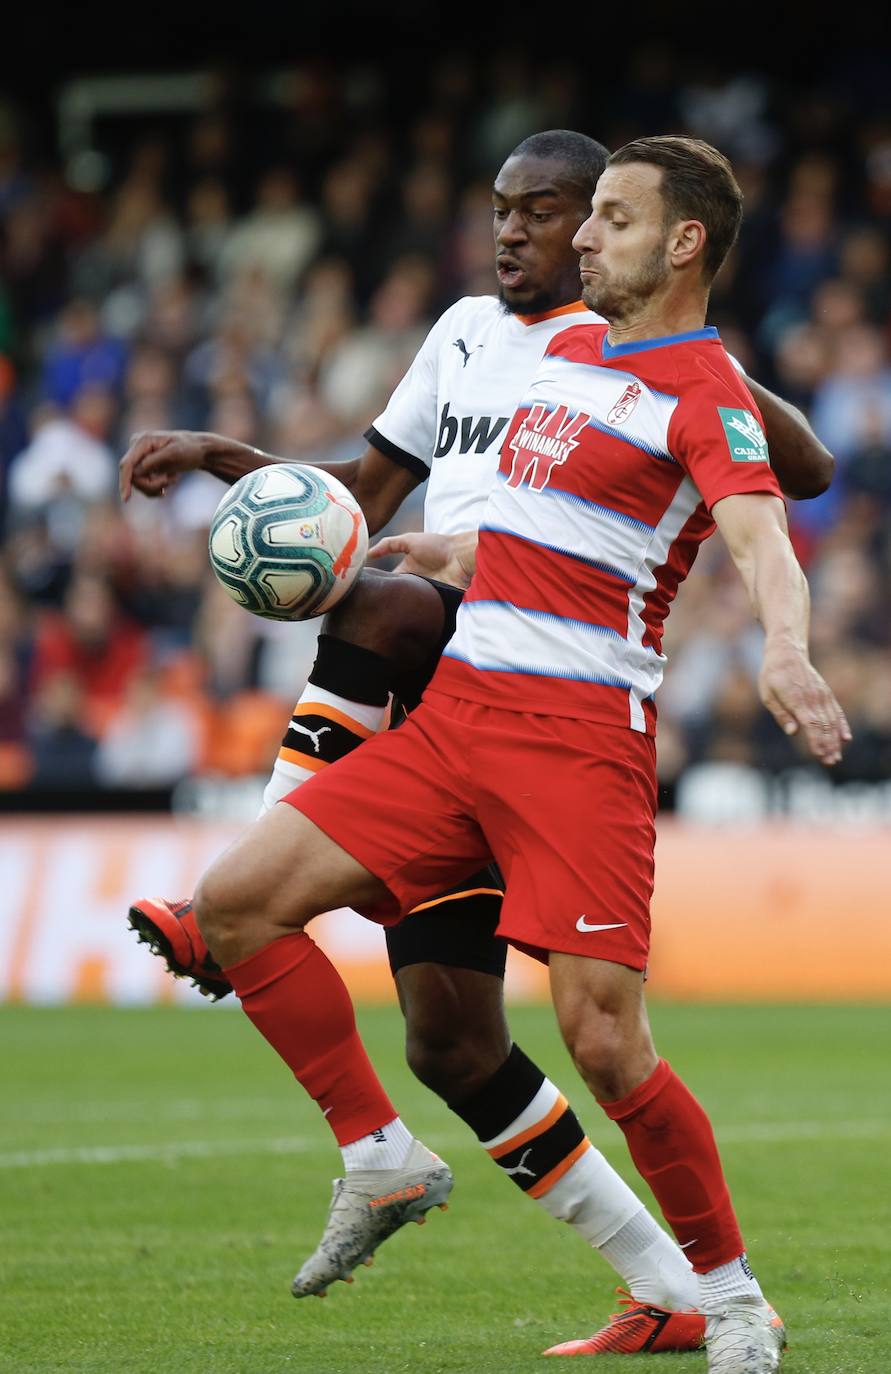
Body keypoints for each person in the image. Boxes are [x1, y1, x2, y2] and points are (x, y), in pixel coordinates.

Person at [119, 132, 835, 1363]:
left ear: (677, 244)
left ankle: (726, 1299)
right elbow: (500, 526)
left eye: (598, 218)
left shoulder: (699, 383)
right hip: (455, 724)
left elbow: (765, 527)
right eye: (574, 215)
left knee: (606, 1043)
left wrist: (786, 647)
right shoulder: (547, 360)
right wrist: (429, 550)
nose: (565, 237)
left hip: (575, 742)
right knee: (243, 915)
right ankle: (380, 1152)